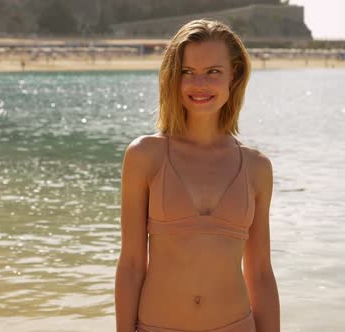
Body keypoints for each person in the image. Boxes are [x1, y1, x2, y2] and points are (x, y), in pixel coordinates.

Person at [115, 20, 280, 332]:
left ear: (234, 76)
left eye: (213, 72)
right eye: (187, 72)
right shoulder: (144, 156)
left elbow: (259, 273)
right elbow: (132, 265)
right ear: (172, 78)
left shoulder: (257, 167)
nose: (198, 83)